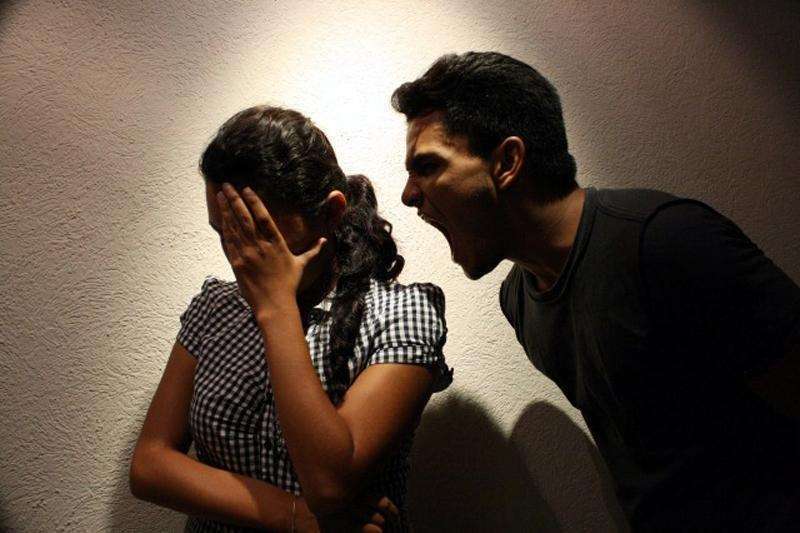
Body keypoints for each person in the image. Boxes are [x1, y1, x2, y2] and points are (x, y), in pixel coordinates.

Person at [391, 51, 800, 531]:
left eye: (427, 166)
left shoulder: (662, 241)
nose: (409, 195)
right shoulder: (518, 299)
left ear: (507, 162)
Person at [129, 105, 451, 532]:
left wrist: (276, 308)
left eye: (260, 236)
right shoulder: (215, 307)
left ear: (330, 214)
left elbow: (330, 484)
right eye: (226, 234)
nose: (240, 257)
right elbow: (150, 464)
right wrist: (296, 516)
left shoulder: (402, 314)